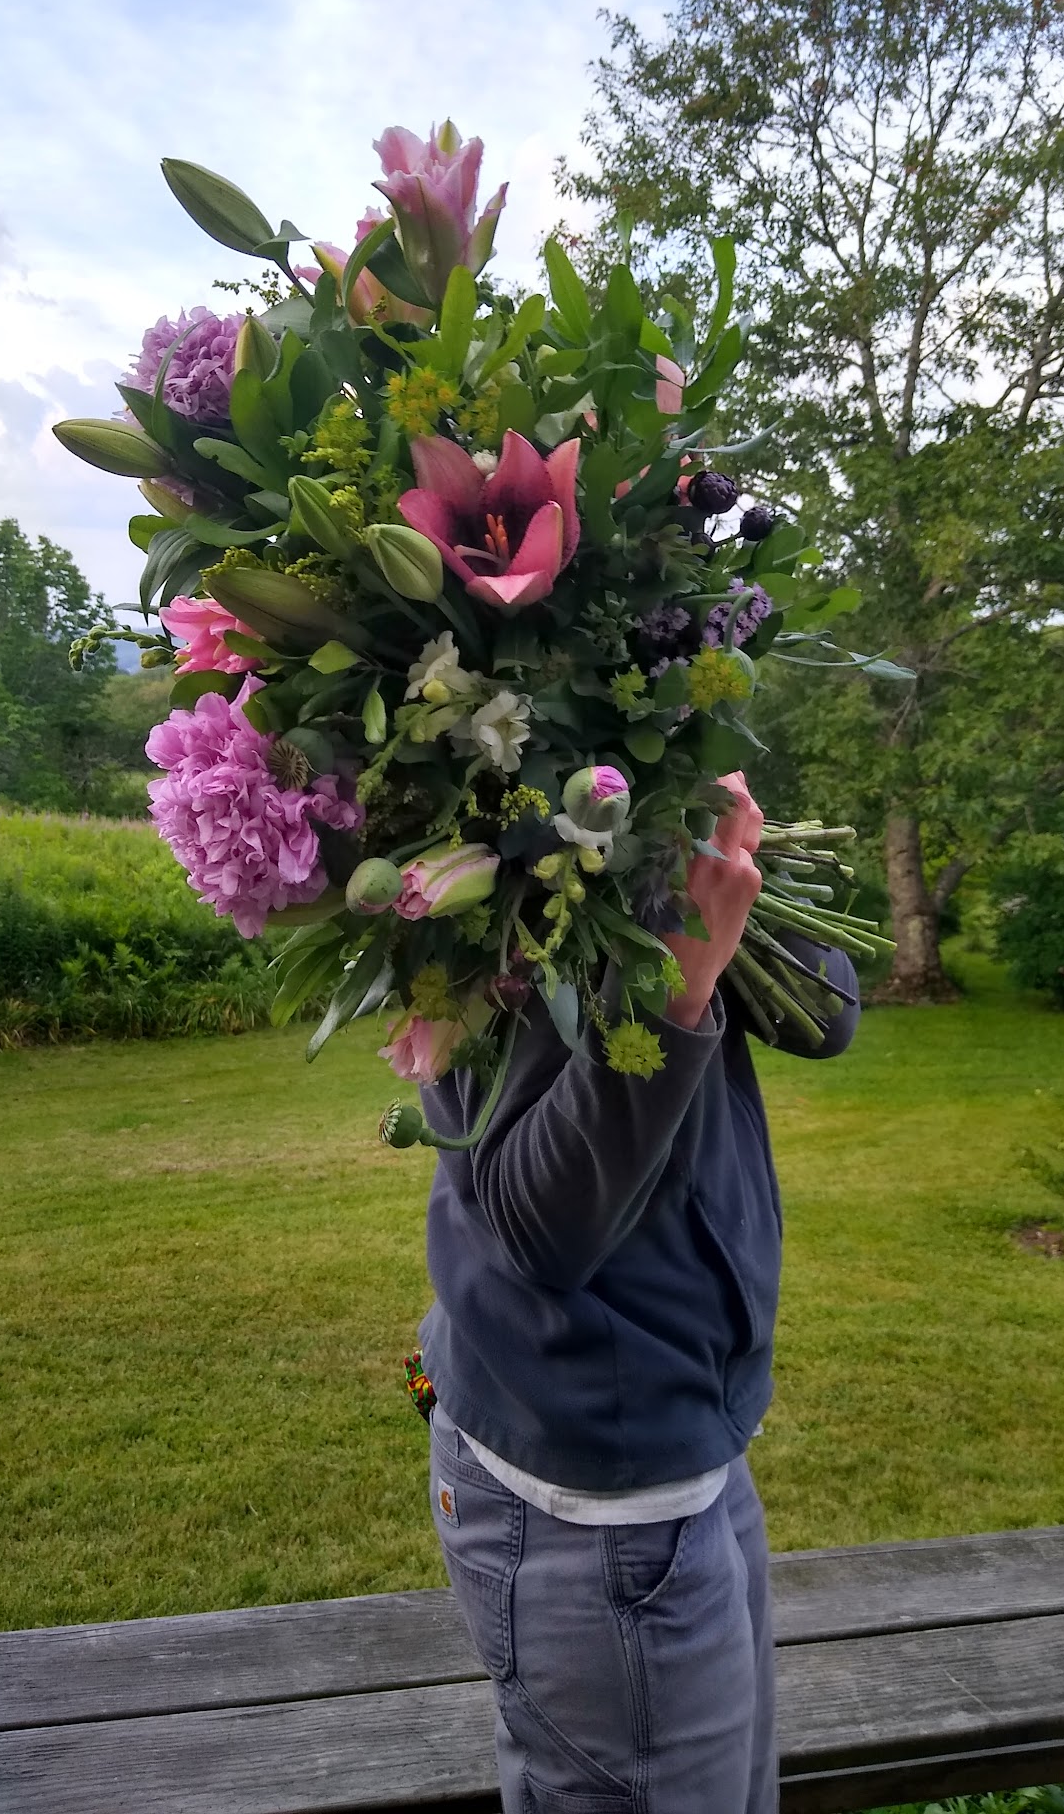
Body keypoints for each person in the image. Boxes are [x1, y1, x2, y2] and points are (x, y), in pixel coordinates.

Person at [416, 772, 860, 1814]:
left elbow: (828, 1015)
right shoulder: (481, 870)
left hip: (692, 1439)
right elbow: (539, 1226)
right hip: (594, 1508)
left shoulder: (642, 812)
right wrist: (677, 983)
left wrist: (729, 865)